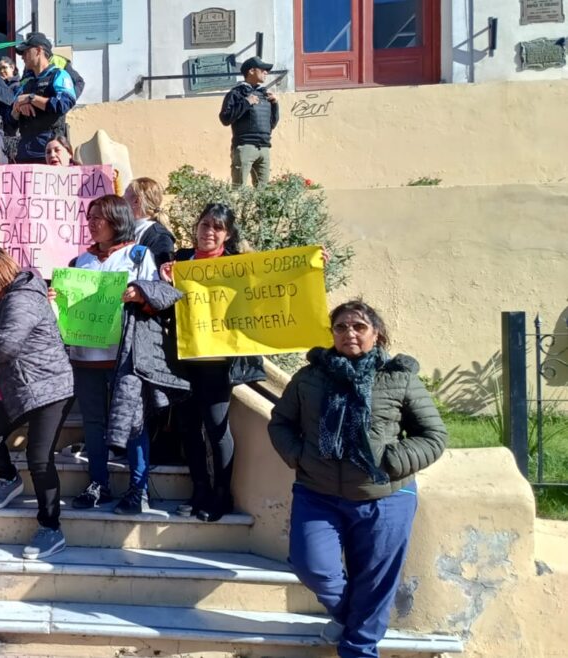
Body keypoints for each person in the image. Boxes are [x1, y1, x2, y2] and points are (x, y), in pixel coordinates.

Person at [269, 300, 447, 657]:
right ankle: (349, 616)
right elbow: (281, 423)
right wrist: (300, 457)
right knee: (313, 567)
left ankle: (359, 649)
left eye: (359, 327)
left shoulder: (398, 377)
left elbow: (433, 435)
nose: (349, 333)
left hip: (386, 496)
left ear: (376, 333)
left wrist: (392, 462)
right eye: (341, 327)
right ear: (332, 333)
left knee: (375, 582)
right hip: (317, 492)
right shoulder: (310, 376)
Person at [159, 203, 265, 522]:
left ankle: (223, 494)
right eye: (205, 224)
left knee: (217, 428)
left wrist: (313, 266)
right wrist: (165, 282)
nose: (209, 231)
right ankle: (200, 489)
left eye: (217, 227)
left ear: (227, 234)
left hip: (219, 363)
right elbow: (166, 305)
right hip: (184, 359)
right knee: (189, 427)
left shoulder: (237, 264)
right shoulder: (180, 261)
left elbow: (273, 286)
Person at [0, 248, 74, 560]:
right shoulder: (14, 296)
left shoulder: (21, 298)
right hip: (20, 388)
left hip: (50, 388)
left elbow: (5, 345)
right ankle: (8, 478)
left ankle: (51, 528)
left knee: (40, 458)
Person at [58, 195, 158, 514]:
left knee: (132, 423)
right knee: (93, 423)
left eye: (99, 216)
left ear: (117, 219)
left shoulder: (139, 256)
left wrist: (140, 294)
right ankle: (98, 483)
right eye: (89, 216)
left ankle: (138, 489)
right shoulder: (79, 262)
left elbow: (156, 300)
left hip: (124, 358)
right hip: (85, 356)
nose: (92, 221)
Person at [12, 33, 77, 164]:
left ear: (39, 51)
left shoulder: (59, 75)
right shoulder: (25, 82)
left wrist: (31, 98)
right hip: (25, 152)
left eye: (25, 52)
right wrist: (19, 106)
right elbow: (10, 116)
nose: (23, 57)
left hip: (49, 153)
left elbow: (63, 104)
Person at [219, 56, 279, 187]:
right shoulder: (236, 93)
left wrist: (275, 105)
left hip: (264, 147)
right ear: (251, 71)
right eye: (263, 69)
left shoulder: (265, 95)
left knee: (263, 193)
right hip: (245, 146)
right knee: (238, 188)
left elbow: (272, 124)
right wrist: (246, 102)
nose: (266, 72)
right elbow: (225, 118)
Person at [123, 177, 176, 266]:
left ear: (136, 201)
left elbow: (163, 273)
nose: (121, 198)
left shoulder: (159, 237)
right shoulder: (127, 230)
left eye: (124, 195)